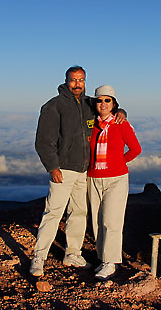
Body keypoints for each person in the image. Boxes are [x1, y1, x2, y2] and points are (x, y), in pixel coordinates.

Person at [31, 66, 126, 277]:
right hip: (63, 170)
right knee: (53, 212)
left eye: (81, 80)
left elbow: (107, 107)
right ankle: (39, 258)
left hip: (85, 171)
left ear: (85, 82)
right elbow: (43, 142)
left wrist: (121, 111)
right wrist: (52, 167)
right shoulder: (53, 106)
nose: (77, 84)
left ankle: (72, 253)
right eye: (73, 80)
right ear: (66, 81)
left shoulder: (89, 104)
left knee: (79, 213)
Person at [87, 85, 141, 281]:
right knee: (96, 221)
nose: (103, 104)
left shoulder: (121, 123)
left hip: (116, 179)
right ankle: (102, 258)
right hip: (92, 178)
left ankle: (111, 262)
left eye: (107, 100)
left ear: (114, 103)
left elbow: (135, 149)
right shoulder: (90, 124)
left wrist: (118, 163)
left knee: (111, 220)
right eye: (100, 100)